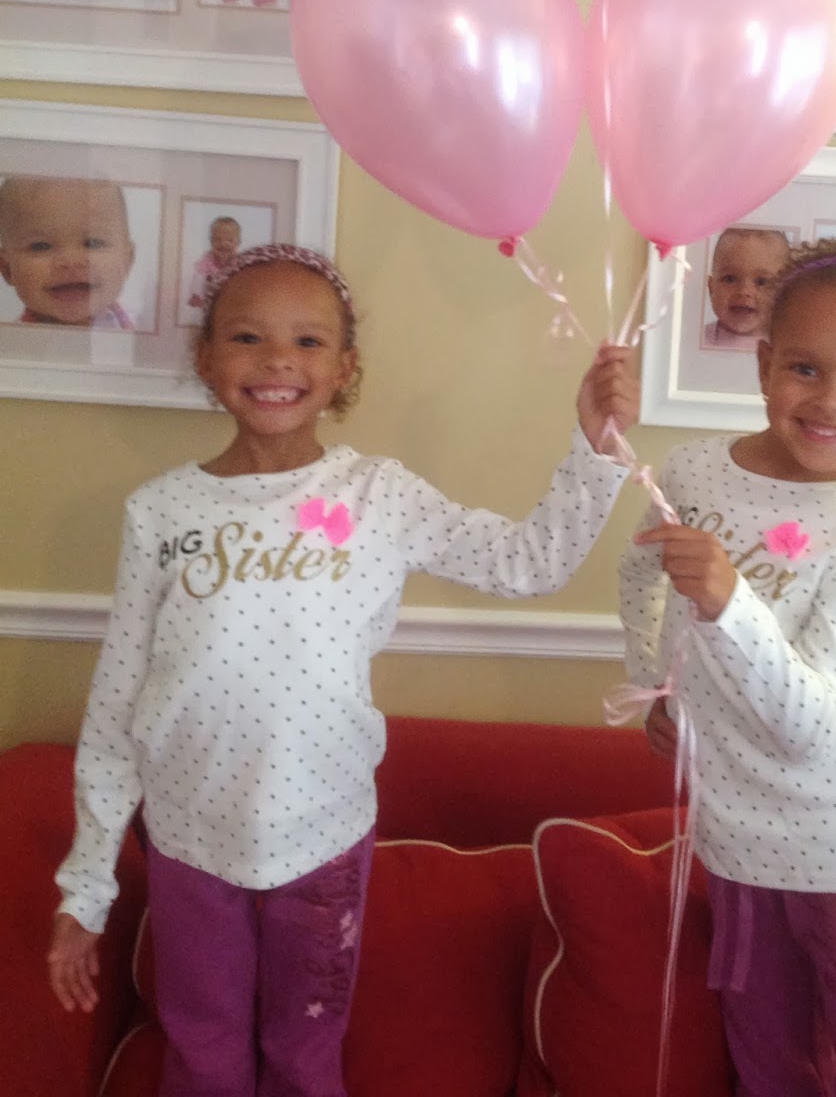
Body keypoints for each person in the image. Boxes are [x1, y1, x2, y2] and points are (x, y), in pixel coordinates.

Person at [47, 243, 639, 1097]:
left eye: (308, 341)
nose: (277, 360)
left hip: (322, 839)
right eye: (247, 337)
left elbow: (527, 563)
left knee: (304, 1055)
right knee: (202, 1056)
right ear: (206, 359)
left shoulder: (377, 497)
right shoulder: (161, 512)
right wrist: (86, 886)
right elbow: (115, 708)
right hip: (188, 840)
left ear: (343, 368)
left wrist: (595, 448)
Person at [621, 237, 836, 1097]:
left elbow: (813, 729)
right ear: (764, 364)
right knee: (764, 1061)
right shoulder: (693, 471)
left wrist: (730, 602)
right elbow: (642, 574)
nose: (829, 401)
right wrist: (660, 682)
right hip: (736, 844)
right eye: (804, 367)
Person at [0, 175, 136, 328]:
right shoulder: (9, 340)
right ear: (7, 269)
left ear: (127, 261)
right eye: (41, 246)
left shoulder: (146, 335)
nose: (71, 261)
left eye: (93, 243)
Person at [703, 226, 791, 351]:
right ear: (711, 287)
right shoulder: (693, 340)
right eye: (730, 279)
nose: (744, 291)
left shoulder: (790, 344)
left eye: (762, 282)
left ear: (784, 291)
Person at [186, 214, 242, 309]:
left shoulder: (240, 262)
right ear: (211, 241)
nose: (223, 244)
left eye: (230, 240)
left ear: (238, 243)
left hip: (232, 301)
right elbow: (198, 279)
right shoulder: (207, 261)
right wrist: (196, 295)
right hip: (210, 302)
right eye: (217, 239)